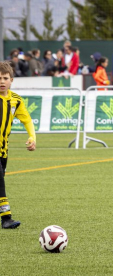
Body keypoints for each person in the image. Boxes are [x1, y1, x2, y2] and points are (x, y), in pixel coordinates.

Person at [0, 61, 36, 229]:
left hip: (3, 149)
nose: (1, 81)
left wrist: (32, 137)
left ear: (11, 80)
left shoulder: (16, 100)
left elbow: (26, 119)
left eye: (5, 78)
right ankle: (6, 217)